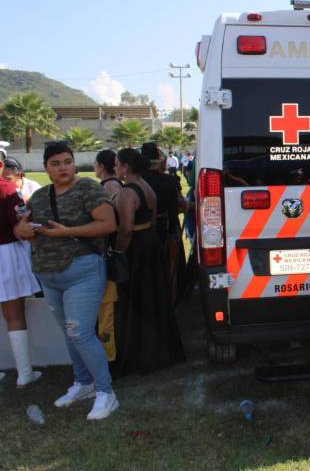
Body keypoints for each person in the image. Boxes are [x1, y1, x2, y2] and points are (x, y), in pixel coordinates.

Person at [13, 142, 118, 420]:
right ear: (46, 167)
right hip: (48, 274)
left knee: (80, 332)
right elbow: (24, 225)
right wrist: (22, 229)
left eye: (68, 161)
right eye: (56, 163)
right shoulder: (39, 196)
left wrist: (68, 232)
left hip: (82, 271)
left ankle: (106, 393)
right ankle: (83, 384)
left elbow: (108, 224)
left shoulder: (88, 189)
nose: (63, 168)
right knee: (70, 335)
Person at [111, 149, 185, 376]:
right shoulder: (147, 186)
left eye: (117, 164)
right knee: (155, 297)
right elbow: (152, 219)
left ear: (125, 167)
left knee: (136, 301)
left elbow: (125, 229)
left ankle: (140, 354)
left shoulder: (127, 193)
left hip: (136, 248)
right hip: (150, 243)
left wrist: (118, 252)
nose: (115, 168)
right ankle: (161, 350)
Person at [0, 144, 43, 387]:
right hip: (6, 254)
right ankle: (24, 373)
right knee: (14, 316)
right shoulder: (6, 188)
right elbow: (22, 221)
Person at [140, 142, 187, 303]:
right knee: (170, 264)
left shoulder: (138, 181)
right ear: (159, 160)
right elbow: (182, 203)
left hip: (145, 231)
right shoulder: (170, 180)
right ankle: (172, 296)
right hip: (169, 227)